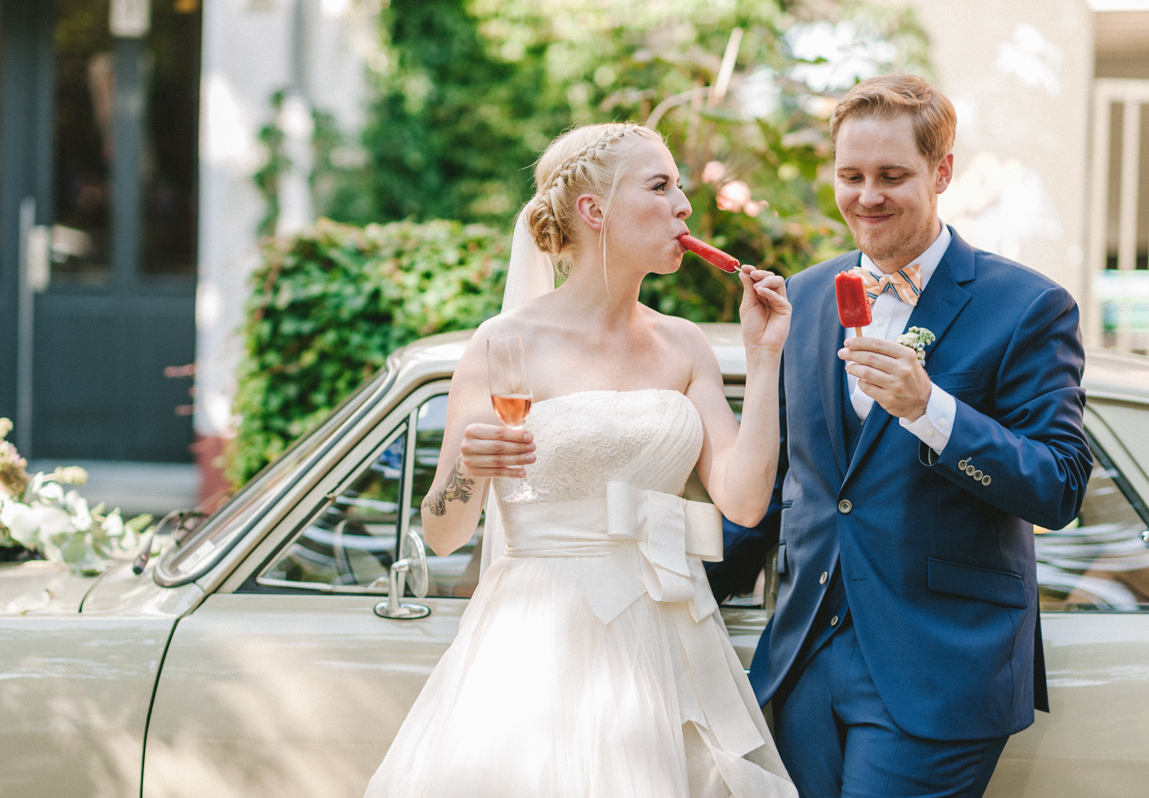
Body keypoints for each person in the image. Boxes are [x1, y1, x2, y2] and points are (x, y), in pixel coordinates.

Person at [364, 123, 797, 797]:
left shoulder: (685, 346)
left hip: (666, 638)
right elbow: (444, 533)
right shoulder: (504, 344)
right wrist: (469, 469)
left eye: (679, 187)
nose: (683, 205)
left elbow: (741, 502)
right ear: (593, 211)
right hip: (539, 643)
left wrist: (767, 356)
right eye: (659, 186)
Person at [733, 74, 1093, 798]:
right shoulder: (798, 298)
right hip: (801, 661)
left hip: (939, 668)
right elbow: (777, 487)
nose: (867, 197)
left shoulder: (1025, 306)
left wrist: (931, 409)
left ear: (942, 171)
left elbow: (1057, 487)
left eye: (892, 176)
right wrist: (664, 589)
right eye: (850, 176)